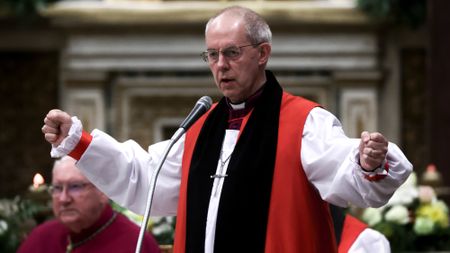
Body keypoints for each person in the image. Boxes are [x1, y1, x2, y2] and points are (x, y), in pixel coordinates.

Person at [41, 6, 412, 253]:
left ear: (262, 53)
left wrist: (366, 161)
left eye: (232, 53)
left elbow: (346, 176)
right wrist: (78, 140)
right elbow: (145, 177)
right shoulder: (201, 127)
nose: (221, 65)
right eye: (212, 55)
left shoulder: (304, 122)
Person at [17, 156, 161, 253]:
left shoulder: (137, 242)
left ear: (103, 191)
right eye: (57, 188)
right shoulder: (41, 237)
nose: (64, 198)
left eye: (75, 186)